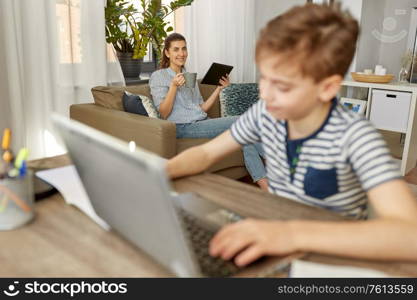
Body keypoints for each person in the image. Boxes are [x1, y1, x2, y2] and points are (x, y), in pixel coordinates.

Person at [166, 4, 417, 266]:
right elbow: (206, 154)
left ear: (327, 88)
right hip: (278, 240)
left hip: (332, 257)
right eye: (265, 79)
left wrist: (293, 235)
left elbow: (409, 237)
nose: (265, 94)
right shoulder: (266, 113)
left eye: (282, 86)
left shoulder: (355, 136)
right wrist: (159, 172)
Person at [149, 33, 267, 189]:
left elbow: (201, 108)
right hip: (182, 127)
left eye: (184, 48)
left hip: (201, 121)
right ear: (167, 53)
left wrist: (218, 90)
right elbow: (163, 113)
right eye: (176, 49)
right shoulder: (158, 76)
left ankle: (266, 187)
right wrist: (173, 87)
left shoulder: (188, 75)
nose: (181, 53)